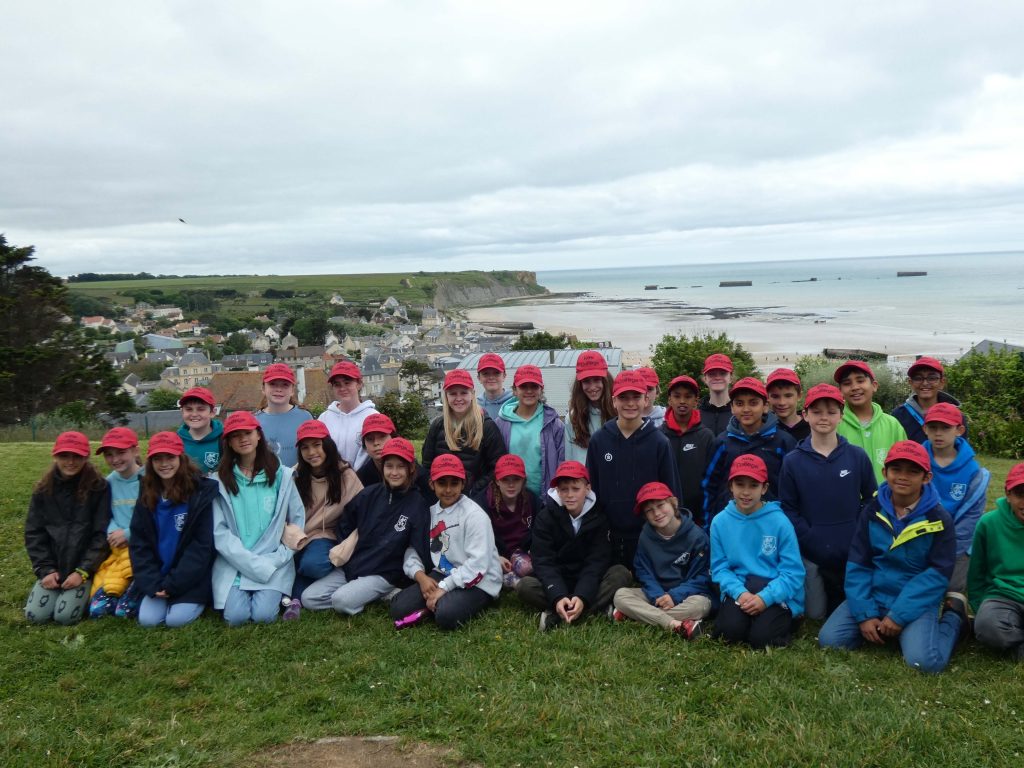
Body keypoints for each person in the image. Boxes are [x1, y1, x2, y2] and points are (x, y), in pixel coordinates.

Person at [818, 441, 965, 673]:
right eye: (896, 470)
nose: (903, 477)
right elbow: (859, 563)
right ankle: (882, 627)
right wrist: (864, 615)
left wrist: (899, 616)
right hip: (875, 594)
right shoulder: (871, 511)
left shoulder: (939, 519)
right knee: (830, 640)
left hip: (914, 600)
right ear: (885, 473)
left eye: (913, 471)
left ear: (926, 478)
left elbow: (937, 575)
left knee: (923, 663)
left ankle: (953, 619)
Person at [778, 384, 877, 620]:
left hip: (850, 549)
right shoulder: (793, 461)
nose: (824, 417)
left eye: (831, 412)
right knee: (816, 615)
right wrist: (811, 536)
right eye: (817, 411)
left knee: (848, 609)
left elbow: (871, 498)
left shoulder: (857, 456)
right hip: (812, 551)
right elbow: (788, 508)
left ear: (841, 416)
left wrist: (855, 530)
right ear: (805, 415)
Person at [302, 437, 430, 617]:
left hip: (384, 574)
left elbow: (417, 546)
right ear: (382, 467)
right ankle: (372, 596)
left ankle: (374, 591)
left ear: (411, 469)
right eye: (389, 466)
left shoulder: (417, 504)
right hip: (353, 566)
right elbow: (345, 522)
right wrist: (347, 547)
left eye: (400, 467)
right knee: (309, 598)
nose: (394, 472)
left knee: (341, 600)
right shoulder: (369, 494)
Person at [211, 411, 305, 626]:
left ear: (259, 435)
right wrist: (251, 563)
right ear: (229, 443)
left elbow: (297, 521)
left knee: (264, 616)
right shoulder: (220, 481)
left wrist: (279, 557)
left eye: (248, 433)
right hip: (236, 562)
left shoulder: (282, 475)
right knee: (236, 618)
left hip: (273, 561)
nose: (243, 439)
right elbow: (220, 532)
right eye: (236, 435)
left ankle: (285, 600)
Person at [389, 454, 502, 630]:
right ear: (431, 484)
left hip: (480, 579)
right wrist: (421, 577)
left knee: (446, 615)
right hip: (445, 572)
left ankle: (446, 604)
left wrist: (444, 588)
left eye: (454, 483)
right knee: (398, 608)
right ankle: (436, 603)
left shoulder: (474, 515)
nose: (448, 490)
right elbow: (414, 549)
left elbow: (478, 564)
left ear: (463, 484)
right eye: (442, 483)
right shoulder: (429, 513)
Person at [516, 461, 632, 630]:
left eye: (576, 489)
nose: (570, 494)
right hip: (559, 578)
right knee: (524, 586)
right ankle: (584, 608)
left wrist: (582, 596)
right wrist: (558, 595)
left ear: (587, 488)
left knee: (620, 573)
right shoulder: (545, 517)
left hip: (589, 580)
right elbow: (544, 561)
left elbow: (597, 561)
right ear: (557, 491)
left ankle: (560, 613)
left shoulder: (599, 517)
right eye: (564, 489)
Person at [586, 370, 681, 572]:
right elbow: (591, 489)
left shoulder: (659, 442)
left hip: (648, 532)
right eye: (623, 397)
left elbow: (671, 491)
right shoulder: (599, 440)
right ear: (613, 401)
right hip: (609, 532)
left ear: (646, 399)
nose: (630, 403)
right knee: (613, 578)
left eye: (636, 397)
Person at [710, 455, 805, 650]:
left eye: (753, 485)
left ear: (764, 488)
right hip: (741, 587)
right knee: (730, 632)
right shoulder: (720, 522)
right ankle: (747, 619)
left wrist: (765, 598)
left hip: (773, 588)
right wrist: (740, 593)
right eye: (740, 484)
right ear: (731, 486)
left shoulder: (780, 522)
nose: (746, 492)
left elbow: (793, 572)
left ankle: (781, 619)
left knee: (761, 639)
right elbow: (720, 568)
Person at [129, 431, 218, 628]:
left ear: (181, 458)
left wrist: (173, 584)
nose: (164, 464)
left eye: (170, 457)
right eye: (157, 459)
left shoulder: (200, 492)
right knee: (148, 621)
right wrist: (152, 583)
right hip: (158, 575)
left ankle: (192, 599)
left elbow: (201, 546)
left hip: (190, 578)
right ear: (150, 462)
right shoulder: (147, 492)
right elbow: (139, 543)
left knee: (176, 621)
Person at [24, 432, 111, 625]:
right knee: (35, 616)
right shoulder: (42, 490)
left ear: (86, 457)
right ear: (55, 456)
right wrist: (45, 569)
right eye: (65, 456)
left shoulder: (99, 488)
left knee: (65, 617)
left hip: (84, 568)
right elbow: (34, 533)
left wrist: (83, 571)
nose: (70, 462)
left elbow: (101, 535)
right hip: (53, 567)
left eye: (77, 456)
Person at [611, 482, 713, 638]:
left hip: (687, 595)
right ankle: (674, 624)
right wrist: (657, 595)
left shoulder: (697, 536)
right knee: (620, 595)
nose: (657, 513)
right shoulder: (646, 536)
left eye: (660, 505)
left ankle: (637, 616)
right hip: (656, 594)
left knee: (702, 605)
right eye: (649, 510)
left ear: (674, 503)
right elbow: (643, 571)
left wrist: (675, 596)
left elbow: (702, 576)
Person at [283, 420, 363, 619]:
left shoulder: (346, 475)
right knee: (289, 564)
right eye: (305, 447)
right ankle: (295, 599)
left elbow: (363, 511)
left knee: (312, 565)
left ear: (327, 445)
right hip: (297, 536)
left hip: (326, 536)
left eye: (317, 445)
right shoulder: (294, 476)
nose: (312, 452)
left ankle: (297, 593)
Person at [702, 377, 796, 527]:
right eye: (739, 404)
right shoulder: (722, 442)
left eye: (753, 403)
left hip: (771, 524)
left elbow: (792, 488)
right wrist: (708, 526)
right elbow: (709, 485)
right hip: (730, 523)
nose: (746, 409)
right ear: (732, 407)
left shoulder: (783, 442)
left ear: (765, 406)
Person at [921, 402, 989, 598]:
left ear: (959, 430)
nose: (938, 433)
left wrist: (949, 550)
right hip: (919, 536)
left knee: (952, 588)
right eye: (933, 427)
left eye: (945, 427)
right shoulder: (915, 462)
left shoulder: (973, 472)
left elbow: (970, 520)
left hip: (955, 541)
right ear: (925, 429)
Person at [968, 463, 1024, 661]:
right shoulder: (988, 523)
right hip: (1003, 595)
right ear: (1008, 494)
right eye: (1020, 494)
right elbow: (976, 572)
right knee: (987, 627)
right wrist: (979, 607)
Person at [421, 369, 506, 496]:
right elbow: (427, 465)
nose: (459, 398)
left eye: (464, 393)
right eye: (453, 394)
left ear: (472, 394)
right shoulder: (437, 426)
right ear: (446, 396)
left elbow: (497, 467)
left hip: (474, 499)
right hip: (443, 498)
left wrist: (473, 490)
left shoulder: (487, 427)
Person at [89, 427, 144, 618]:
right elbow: (106, 514)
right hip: (117, 547)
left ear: (135, 451)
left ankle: (137, 589)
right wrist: (113, 532)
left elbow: (153, 517)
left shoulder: (149, 479)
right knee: (97, 610)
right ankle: (116, 590)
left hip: (143, 545)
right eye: (109, 455)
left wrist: (128, 534)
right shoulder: (108, 483)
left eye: (121, 453)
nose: (115, 459)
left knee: (123, 612)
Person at [470, 454, 541, 588]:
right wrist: (494, 557)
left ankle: (513, 580)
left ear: (523, 481)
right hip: (493, 555)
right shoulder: (482, 503)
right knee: (489, 570)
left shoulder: (532, 500)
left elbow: (540, 531)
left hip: (521, 553)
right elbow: (475, 540)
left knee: (527, 568)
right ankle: (506, 579)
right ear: (497, 480)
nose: (511, 484)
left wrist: (534, 549)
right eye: (505, 479)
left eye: (516, 479)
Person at [834, 360, 907, 484]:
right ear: (840, 390)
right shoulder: (835, 424)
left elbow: (905, 464)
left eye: (860, 381)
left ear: (874, 385)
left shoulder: (892, 424)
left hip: (886, 500)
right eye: (847, 383)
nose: (855, 387)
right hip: (846, 500)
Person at [495, 364, 565, 495]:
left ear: (541, 390)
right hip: (511, 498)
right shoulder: (500, 423)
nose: (529, 391)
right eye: (523, 386)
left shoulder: (554, 424)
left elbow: (562, 461)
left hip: (545, 498)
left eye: (534, 386)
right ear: (515, 390)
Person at [660, 375, 714, 527]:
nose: (682, 401)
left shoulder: (706, 436)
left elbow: (713, 480)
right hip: (665, 515)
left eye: (688, 396)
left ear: (696, 401)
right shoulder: (658, 436)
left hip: (698, 516)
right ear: (669, 400)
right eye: (677, 396)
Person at [318, 360, 379, 470]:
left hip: (364, 482)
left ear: (359, 384)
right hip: (331, 481)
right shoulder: (324, 418)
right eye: (337, 385)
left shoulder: (373, 417)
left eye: (347, 383)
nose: (342, 388)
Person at [892, 357, 967, 444]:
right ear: (911, 383)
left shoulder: (956, 416)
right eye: (918, 378)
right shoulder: (899, 415)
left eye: (932, 378)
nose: (925, 383)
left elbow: (961, 449)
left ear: (942, 382)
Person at [254, 362, 312, 468]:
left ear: (292, 390)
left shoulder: (305, 418)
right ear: (263, 388)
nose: (279, 389)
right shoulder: (254, 422)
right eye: (273, 384)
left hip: (299, 481)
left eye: (285, 385)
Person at [563, 350, 615, 464]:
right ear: (580, 384)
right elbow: (569, 459)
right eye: (586, 381)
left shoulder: (619, 413)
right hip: (583, 480)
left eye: (596, 380)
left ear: (605, 380)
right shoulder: (572, 418)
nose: (592, 387)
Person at [176, 386, 223, 474]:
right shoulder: (175, 441)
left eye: (201, 409)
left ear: (213, 412)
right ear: (182, 412)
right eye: (188, 409)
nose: (194, 414)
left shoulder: (224, 440)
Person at [355, 412, 398, 488]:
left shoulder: (413, 471)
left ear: (393, 438)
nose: (376, 443)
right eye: (370, 439)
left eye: (382, 436)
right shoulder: (360, 478)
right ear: (364, 445)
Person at [766, 368, 810, 443]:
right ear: (767, 397)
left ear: (799, 396)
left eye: (788, 396)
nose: (782, 402)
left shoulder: (812, 427)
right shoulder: (764, 429)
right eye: (775, 396)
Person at [698, 353, 734, 436]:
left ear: (730, 377)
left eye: (722, 373)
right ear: (705, 378)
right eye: (712, 374)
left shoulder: (739, 412)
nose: (717, 377)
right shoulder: (695, 413)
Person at [476, 353, 513, 420]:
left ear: (504, 376)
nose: (491, 377)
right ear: (479, 378)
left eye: (496, 373)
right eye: (486, 374)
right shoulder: (476, 405)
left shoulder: (515, 401)